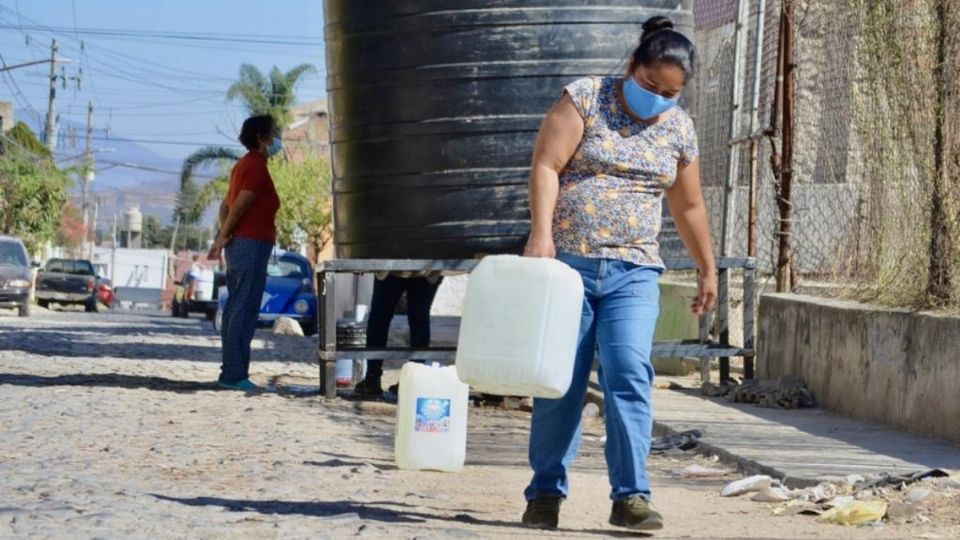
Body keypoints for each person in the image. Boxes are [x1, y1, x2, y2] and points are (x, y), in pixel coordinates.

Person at [520, 16, 717, 532]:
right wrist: (541, 235)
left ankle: (630, 496)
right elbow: (546, 164)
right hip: (569, 268)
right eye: (651, 86)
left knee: (629, 373)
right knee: (560, 383)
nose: (658, 99)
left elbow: (689, 207)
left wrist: (707, 268)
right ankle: (544, 494)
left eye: (670, 93)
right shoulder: (586, 98)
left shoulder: (677, 128)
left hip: (634, 272)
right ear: (633, 67)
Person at [207, 115, 283, 391]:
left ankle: (234, 370)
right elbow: (238, 205)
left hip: (245, 243)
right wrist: (223, 235)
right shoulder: (255, 166)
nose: (279, 138)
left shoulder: (245, 165)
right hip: (249, 243)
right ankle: (233, 373)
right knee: (243, 308)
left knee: (240, 306)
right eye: (275, 133)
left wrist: (224, 235)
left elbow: (225, 206)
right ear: (263, 138)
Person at [353, 272, 443, 397]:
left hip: (393, 264)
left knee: (380, 316)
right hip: (425, 265)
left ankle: (372, 378)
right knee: (419, 317)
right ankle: (414, 379)